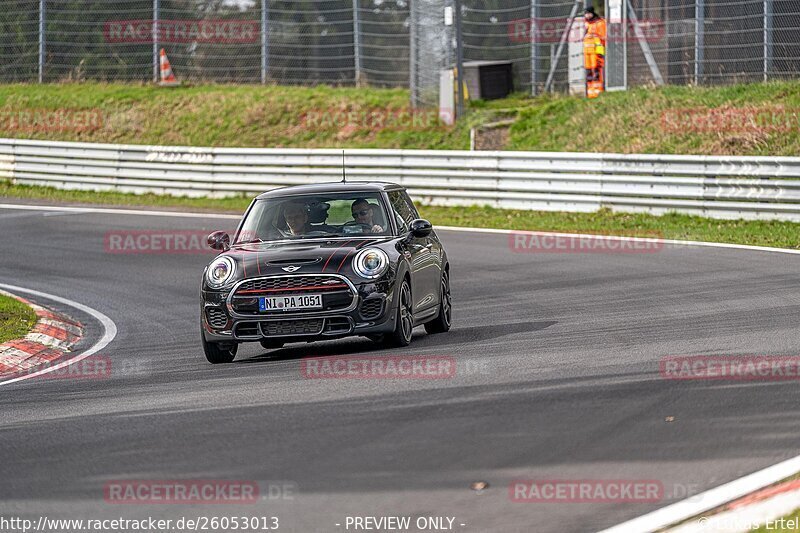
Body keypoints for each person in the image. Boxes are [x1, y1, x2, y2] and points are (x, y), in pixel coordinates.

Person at [583, 6, 607, 99]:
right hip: (587, 52)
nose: (587, 15)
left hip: (596, 52)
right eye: (586, 13)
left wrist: (600, 52)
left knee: (596, 71)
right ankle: (590, 92)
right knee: (589, 72)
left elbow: (603, 38)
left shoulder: (600, 23)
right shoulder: (586, 24)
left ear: (592, 13)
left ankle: (598, 90)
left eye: (588, 13)